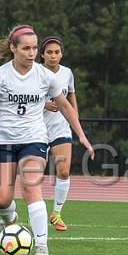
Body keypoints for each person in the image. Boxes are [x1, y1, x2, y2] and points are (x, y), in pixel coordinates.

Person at [0, 25, 94, 255]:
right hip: (3, 140)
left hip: (34, 139)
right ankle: (9, 221)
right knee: (2, 200)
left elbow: (65, 106)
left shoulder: (45, 76)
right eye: (26, 48)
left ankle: (42, 246)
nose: (31, 53)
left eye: (33, 48)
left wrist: (81, 135)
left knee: (31, 186)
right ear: (13, 48)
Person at [40, 36, 77, 231]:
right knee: (34, 174)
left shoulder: (67, 73)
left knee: (63, 170)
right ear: (42, 55)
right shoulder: (35, 72)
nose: (53, 56)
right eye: (49, 52)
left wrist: (74, 117)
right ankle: (36, 212)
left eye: (57, 52)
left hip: (60, 127)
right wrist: (45, 104)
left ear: (61, 54)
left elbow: (71, 95)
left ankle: (57, 213)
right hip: (37, 128)